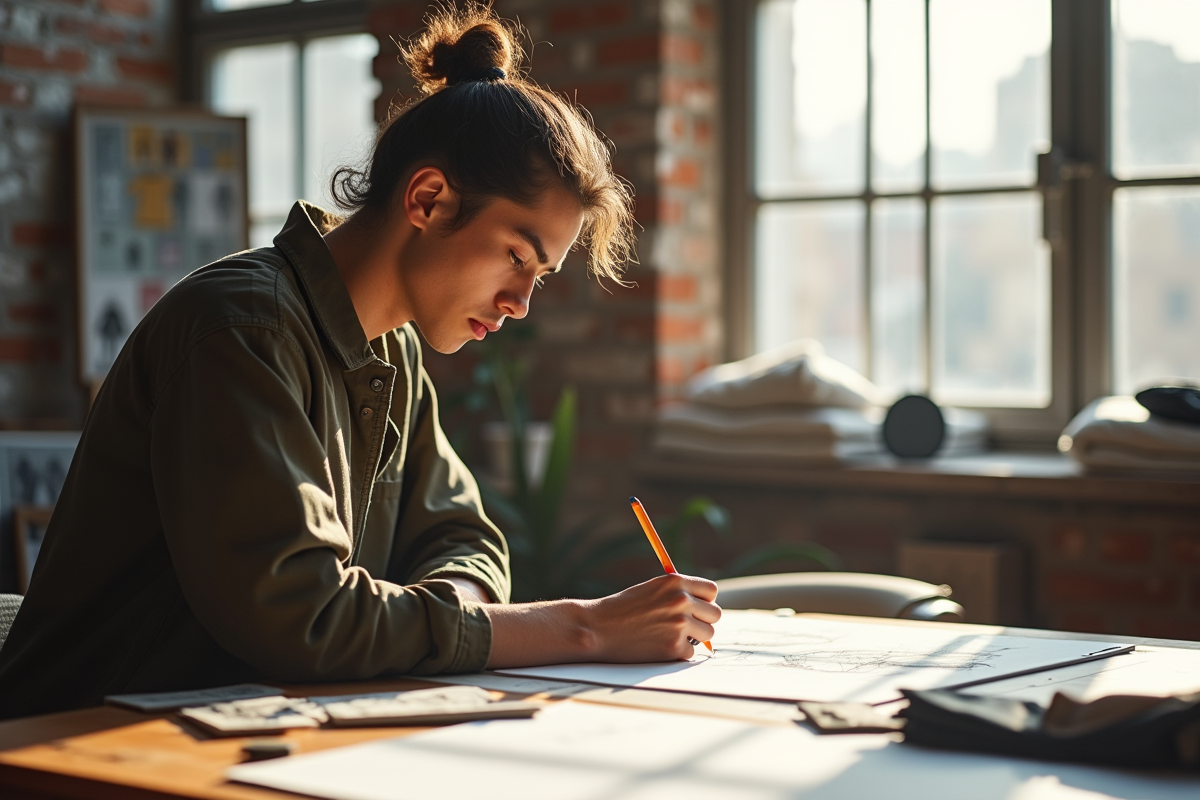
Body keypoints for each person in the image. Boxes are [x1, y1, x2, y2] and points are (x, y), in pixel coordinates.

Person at [0, 3, 720, 721]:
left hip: (247, 728)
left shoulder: (391, 347)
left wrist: (447, 616)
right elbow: (303, 618)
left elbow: (462, 536)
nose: (520, 303)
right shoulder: (241, 330)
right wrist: (583, 629)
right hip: (76, 736)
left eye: (540, 276)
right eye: (515, 257)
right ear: (429, 200)